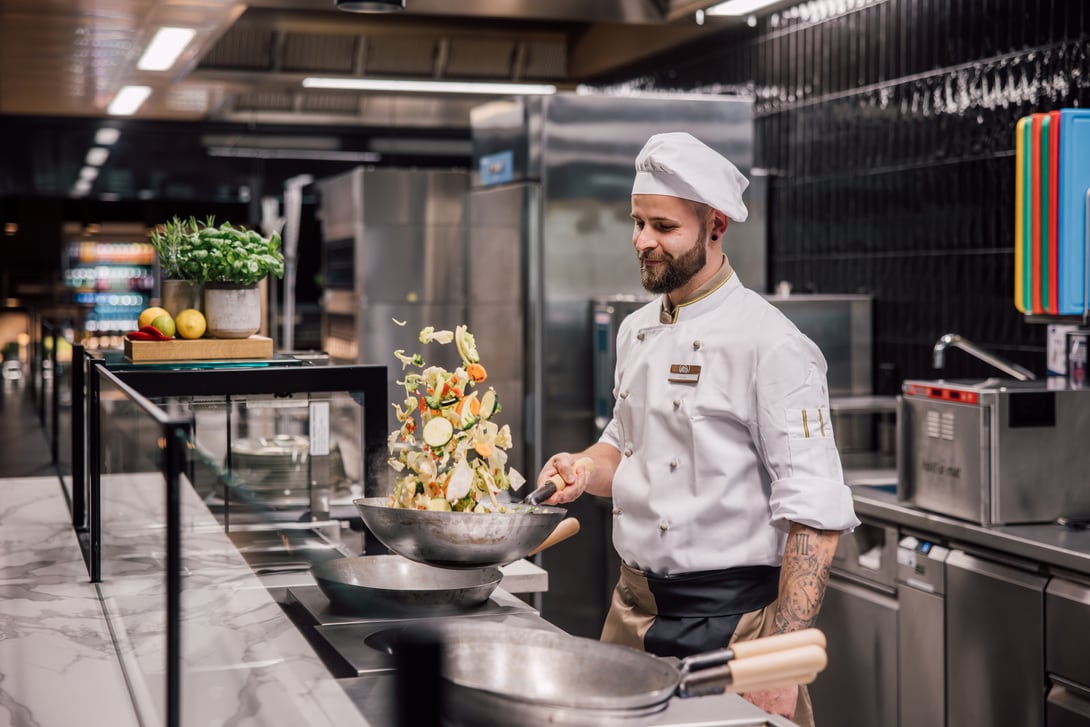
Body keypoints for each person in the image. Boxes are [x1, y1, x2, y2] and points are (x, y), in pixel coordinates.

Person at [538, 131, 859, 726]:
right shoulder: (636, 329)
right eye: (637, 223)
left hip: (732, 629)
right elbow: (625, 445)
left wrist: (780, 663)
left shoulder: (773, 344)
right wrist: (582, 468)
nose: (642, 242)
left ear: (716, 226)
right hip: (630, 611)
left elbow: (814, 515)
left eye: (664, 227)